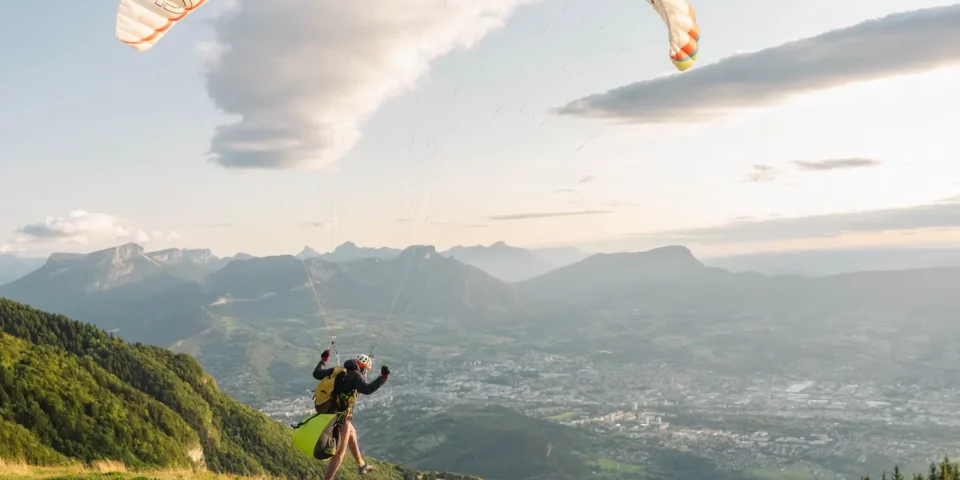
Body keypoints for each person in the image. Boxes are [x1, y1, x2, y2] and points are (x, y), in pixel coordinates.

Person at [308, 349, 390, 479]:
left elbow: (317, 373)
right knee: (339, 455)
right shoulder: (356, 376)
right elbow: (368, 389)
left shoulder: (338, 370)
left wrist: (323, 360)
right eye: (366, 370)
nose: (365, 373)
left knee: (352, 433)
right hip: (341, 418)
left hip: (327, 410)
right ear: (363, 368)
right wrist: (383, 378)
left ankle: (361, 465)